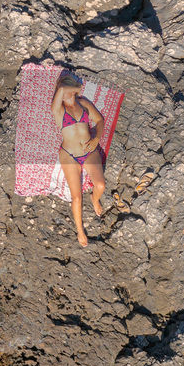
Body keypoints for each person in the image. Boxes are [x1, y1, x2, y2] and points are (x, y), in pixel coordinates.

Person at [50, 70, 106, 246]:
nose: (66, 91)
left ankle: (95, 199)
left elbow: (99, 121)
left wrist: (96, 138)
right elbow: (60, 92)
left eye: (70, 88)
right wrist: (68, 86)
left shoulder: (83, 104)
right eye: (64, 87)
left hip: (89, 151)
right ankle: (80, 232)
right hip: (69, 155)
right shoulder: (58, 109)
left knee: (100, 185)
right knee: (76, 197)